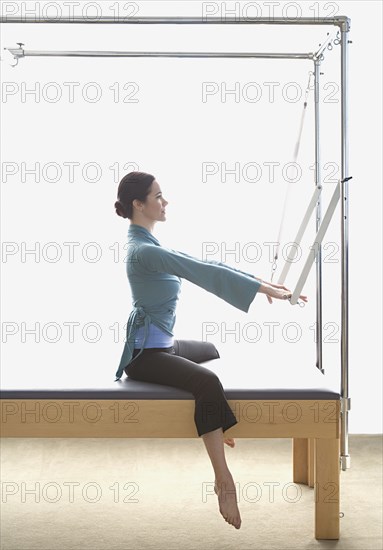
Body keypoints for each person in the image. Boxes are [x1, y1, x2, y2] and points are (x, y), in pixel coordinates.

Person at [114, 171, 308, 530]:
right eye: (158, 196)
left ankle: (214, 420)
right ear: (138, 205)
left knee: (211, 350)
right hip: (145, 358)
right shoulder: (143, 252)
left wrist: (264, 286)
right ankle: (223, 480)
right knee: (207, 382)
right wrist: (262, 290)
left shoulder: (150, 245)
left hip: (164, 347)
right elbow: (200, 272)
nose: (165, 201)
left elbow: (211, 265)